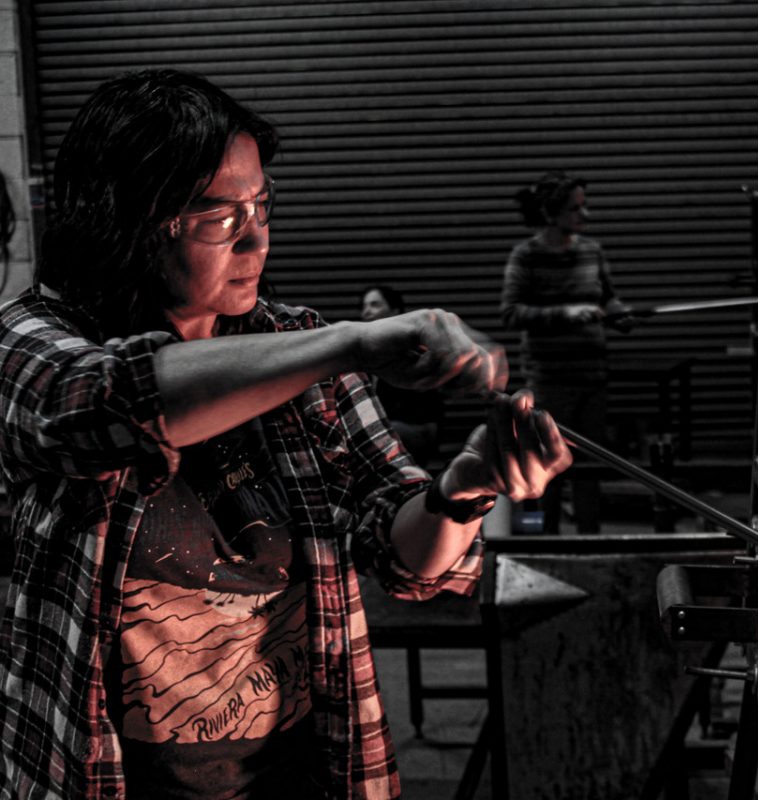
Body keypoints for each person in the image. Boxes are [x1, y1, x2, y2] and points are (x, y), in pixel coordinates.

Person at [0, 69, 571, 800]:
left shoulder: (298, 344)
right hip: (102, 776)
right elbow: (113, 401)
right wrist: (355, 343)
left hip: (303, 772)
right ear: (130, 221)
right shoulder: (31, 342)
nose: (257, 238)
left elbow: (408, 559)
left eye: (263, 204)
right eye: (221, 217)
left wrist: (466, 486)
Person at [500, 171, 631, 534]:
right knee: (551, 462)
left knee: (591, 464)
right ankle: (550, 539)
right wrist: (568, 313)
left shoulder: (593, 251)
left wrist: (620, 313)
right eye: (575, 209)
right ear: (551, 214)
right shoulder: (526, 256)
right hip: (551, 379)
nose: (584, 216)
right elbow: (511, 313)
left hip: (593, 375)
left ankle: (590, 538)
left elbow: (607, 298)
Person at [359, 284, 446, 467]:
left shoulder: (411, 348)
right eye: (364, 306)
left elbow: (426, 408)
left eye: (374, 305)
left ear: (394, 311)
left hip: (415, 428)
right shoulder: (366, 351)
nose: (366, 312)